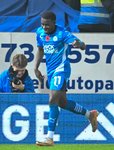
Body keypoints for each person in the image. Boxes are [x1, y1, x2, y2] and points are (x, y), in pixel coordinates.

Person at [34, 11, 99, 146]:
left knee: (53, 99)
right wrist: (35, 67)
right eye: (42, 24)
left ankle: (49, 137)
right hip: (51, 71)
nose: (44, 27)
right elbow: (40, 49)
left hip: (61, 69)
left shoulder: (63, 33)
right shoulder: (40, 33)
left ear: (54, 23)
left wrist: (78, 44)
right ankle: (90, 115)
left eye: (47, 25)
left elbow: (83, 45)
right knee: (62, 102)